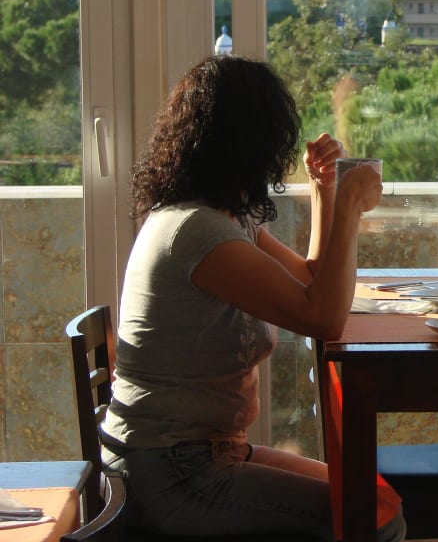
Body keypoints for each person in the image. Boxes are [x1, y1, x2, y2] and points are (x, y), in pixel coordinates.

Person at [99, 54, 405, 541]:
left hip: (201, 453)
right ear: (250, 143)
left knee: (379, 503)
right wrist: (349, 203)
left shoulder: (221, 220)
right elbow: (324, 317)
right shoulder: (197, 232)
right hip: (173, 472)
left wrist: (325, 190)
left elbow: (311, 276)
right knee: (371, 517)